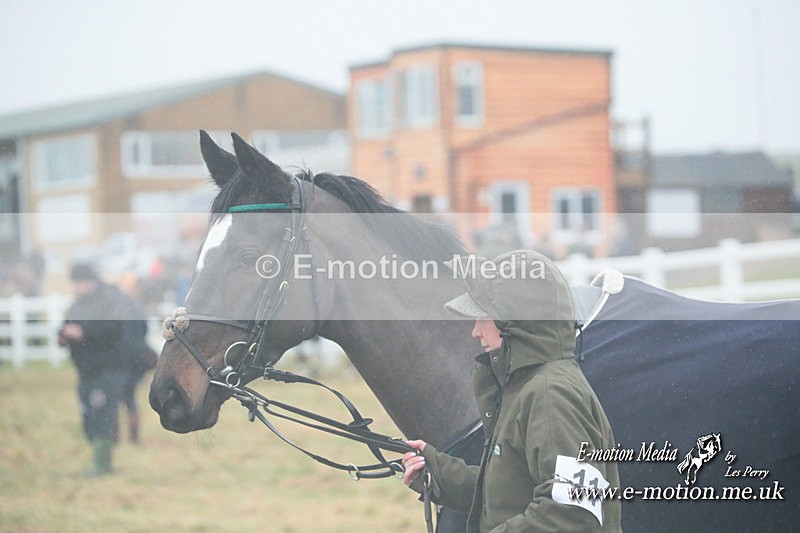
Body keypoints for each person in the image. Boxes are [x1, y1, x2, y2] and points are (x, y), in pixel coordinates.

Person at [402, 250, 621, 531]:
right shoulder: (527, 386)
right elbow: (510, 492)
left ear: (514, 322)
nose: (475, 332)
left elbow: (570, 514)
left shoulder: (550, 394)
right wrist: (439, 474)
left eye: (483, 318)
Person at [58, 264, 133, 476]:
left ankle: (102, 464)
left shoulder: (110, 300)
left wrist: (83, 332)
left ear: (91, 281)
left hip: (109, 368)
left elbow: (112, 329)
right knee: (88, 415)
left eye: (80, 282)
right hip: (86, 371)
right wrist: (63, 335)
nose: (77, 287)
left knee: (102, 413)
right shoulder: (76, 305)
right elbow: (67, 326)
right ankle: (100, 457)